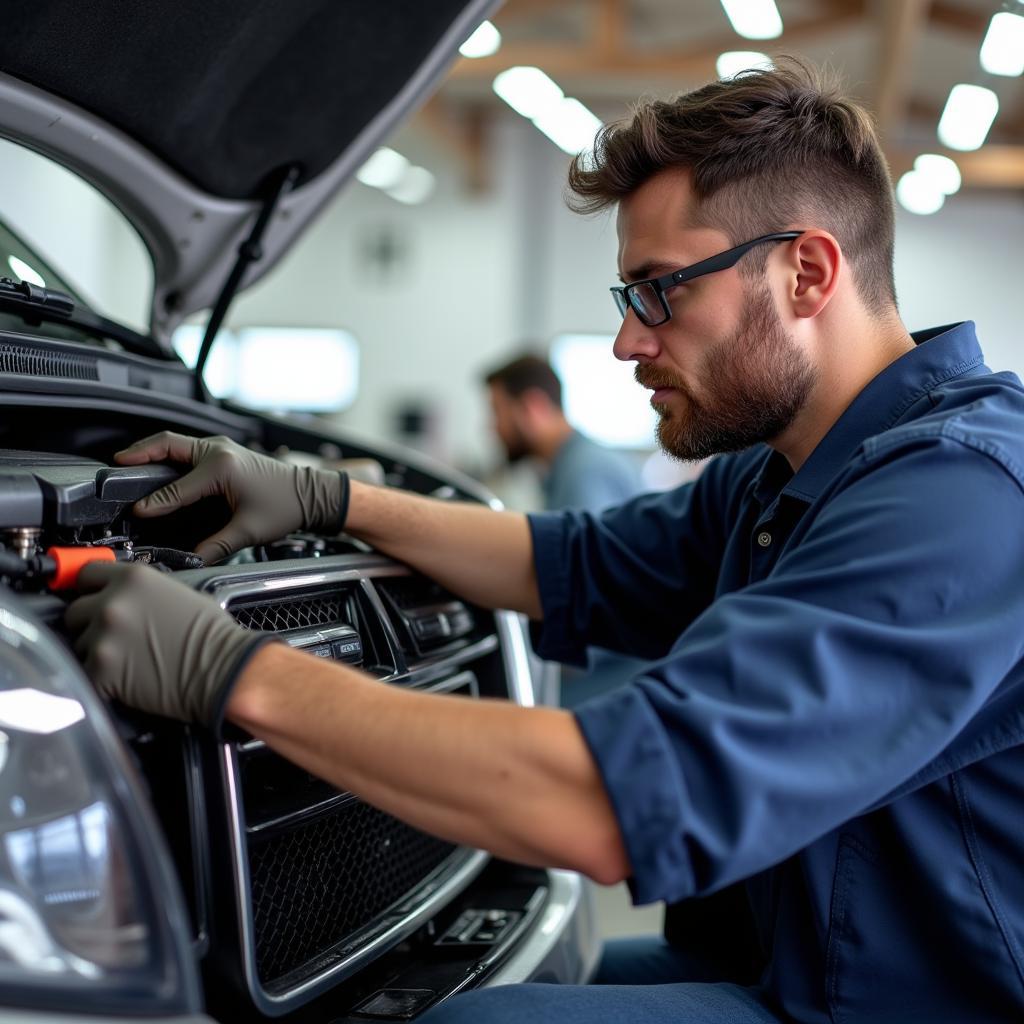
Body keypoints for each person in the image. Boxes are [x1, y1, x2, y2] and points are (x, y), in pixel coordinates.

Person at [65, 59, 1024, 1024]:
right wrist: (327, 500)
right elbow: (564, 562)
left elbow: (614, 801)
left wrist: (231, 673)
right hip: (807, 962)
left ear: (806, 272)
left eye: (660, 290)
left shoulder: (963, 492)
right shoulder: (784, 472)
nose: (627, 344)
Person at [483, 353, 643, 512]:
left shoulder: (584, 472)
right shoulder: (570, 465)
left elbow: (586, 538)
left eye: (497, 412)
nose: (492, 427)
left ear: (532, 408)